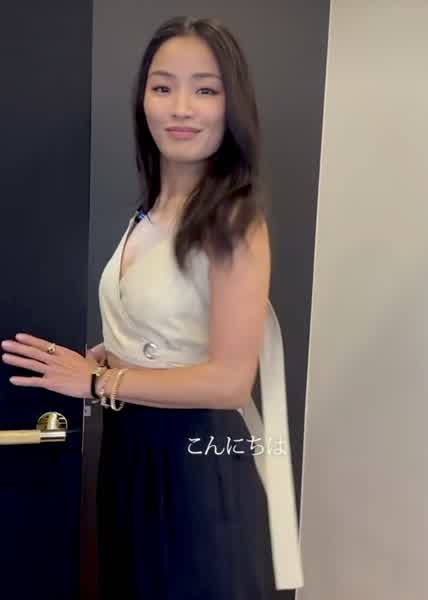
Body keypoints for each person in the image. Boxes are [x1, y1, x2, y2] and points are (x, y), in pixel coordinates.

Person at [1, 16, 303, 600]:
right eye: (163, 87)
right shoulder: (151, 210)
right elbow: (166, 329)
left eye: (205, 89)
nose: (181, 107)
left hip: (195, 464)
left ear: (232, 106)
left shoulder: (233, 218)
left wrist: (97, 381)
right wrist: (105, 354)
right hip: (131, 450)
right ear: (143, 100)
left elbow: (230, 381)